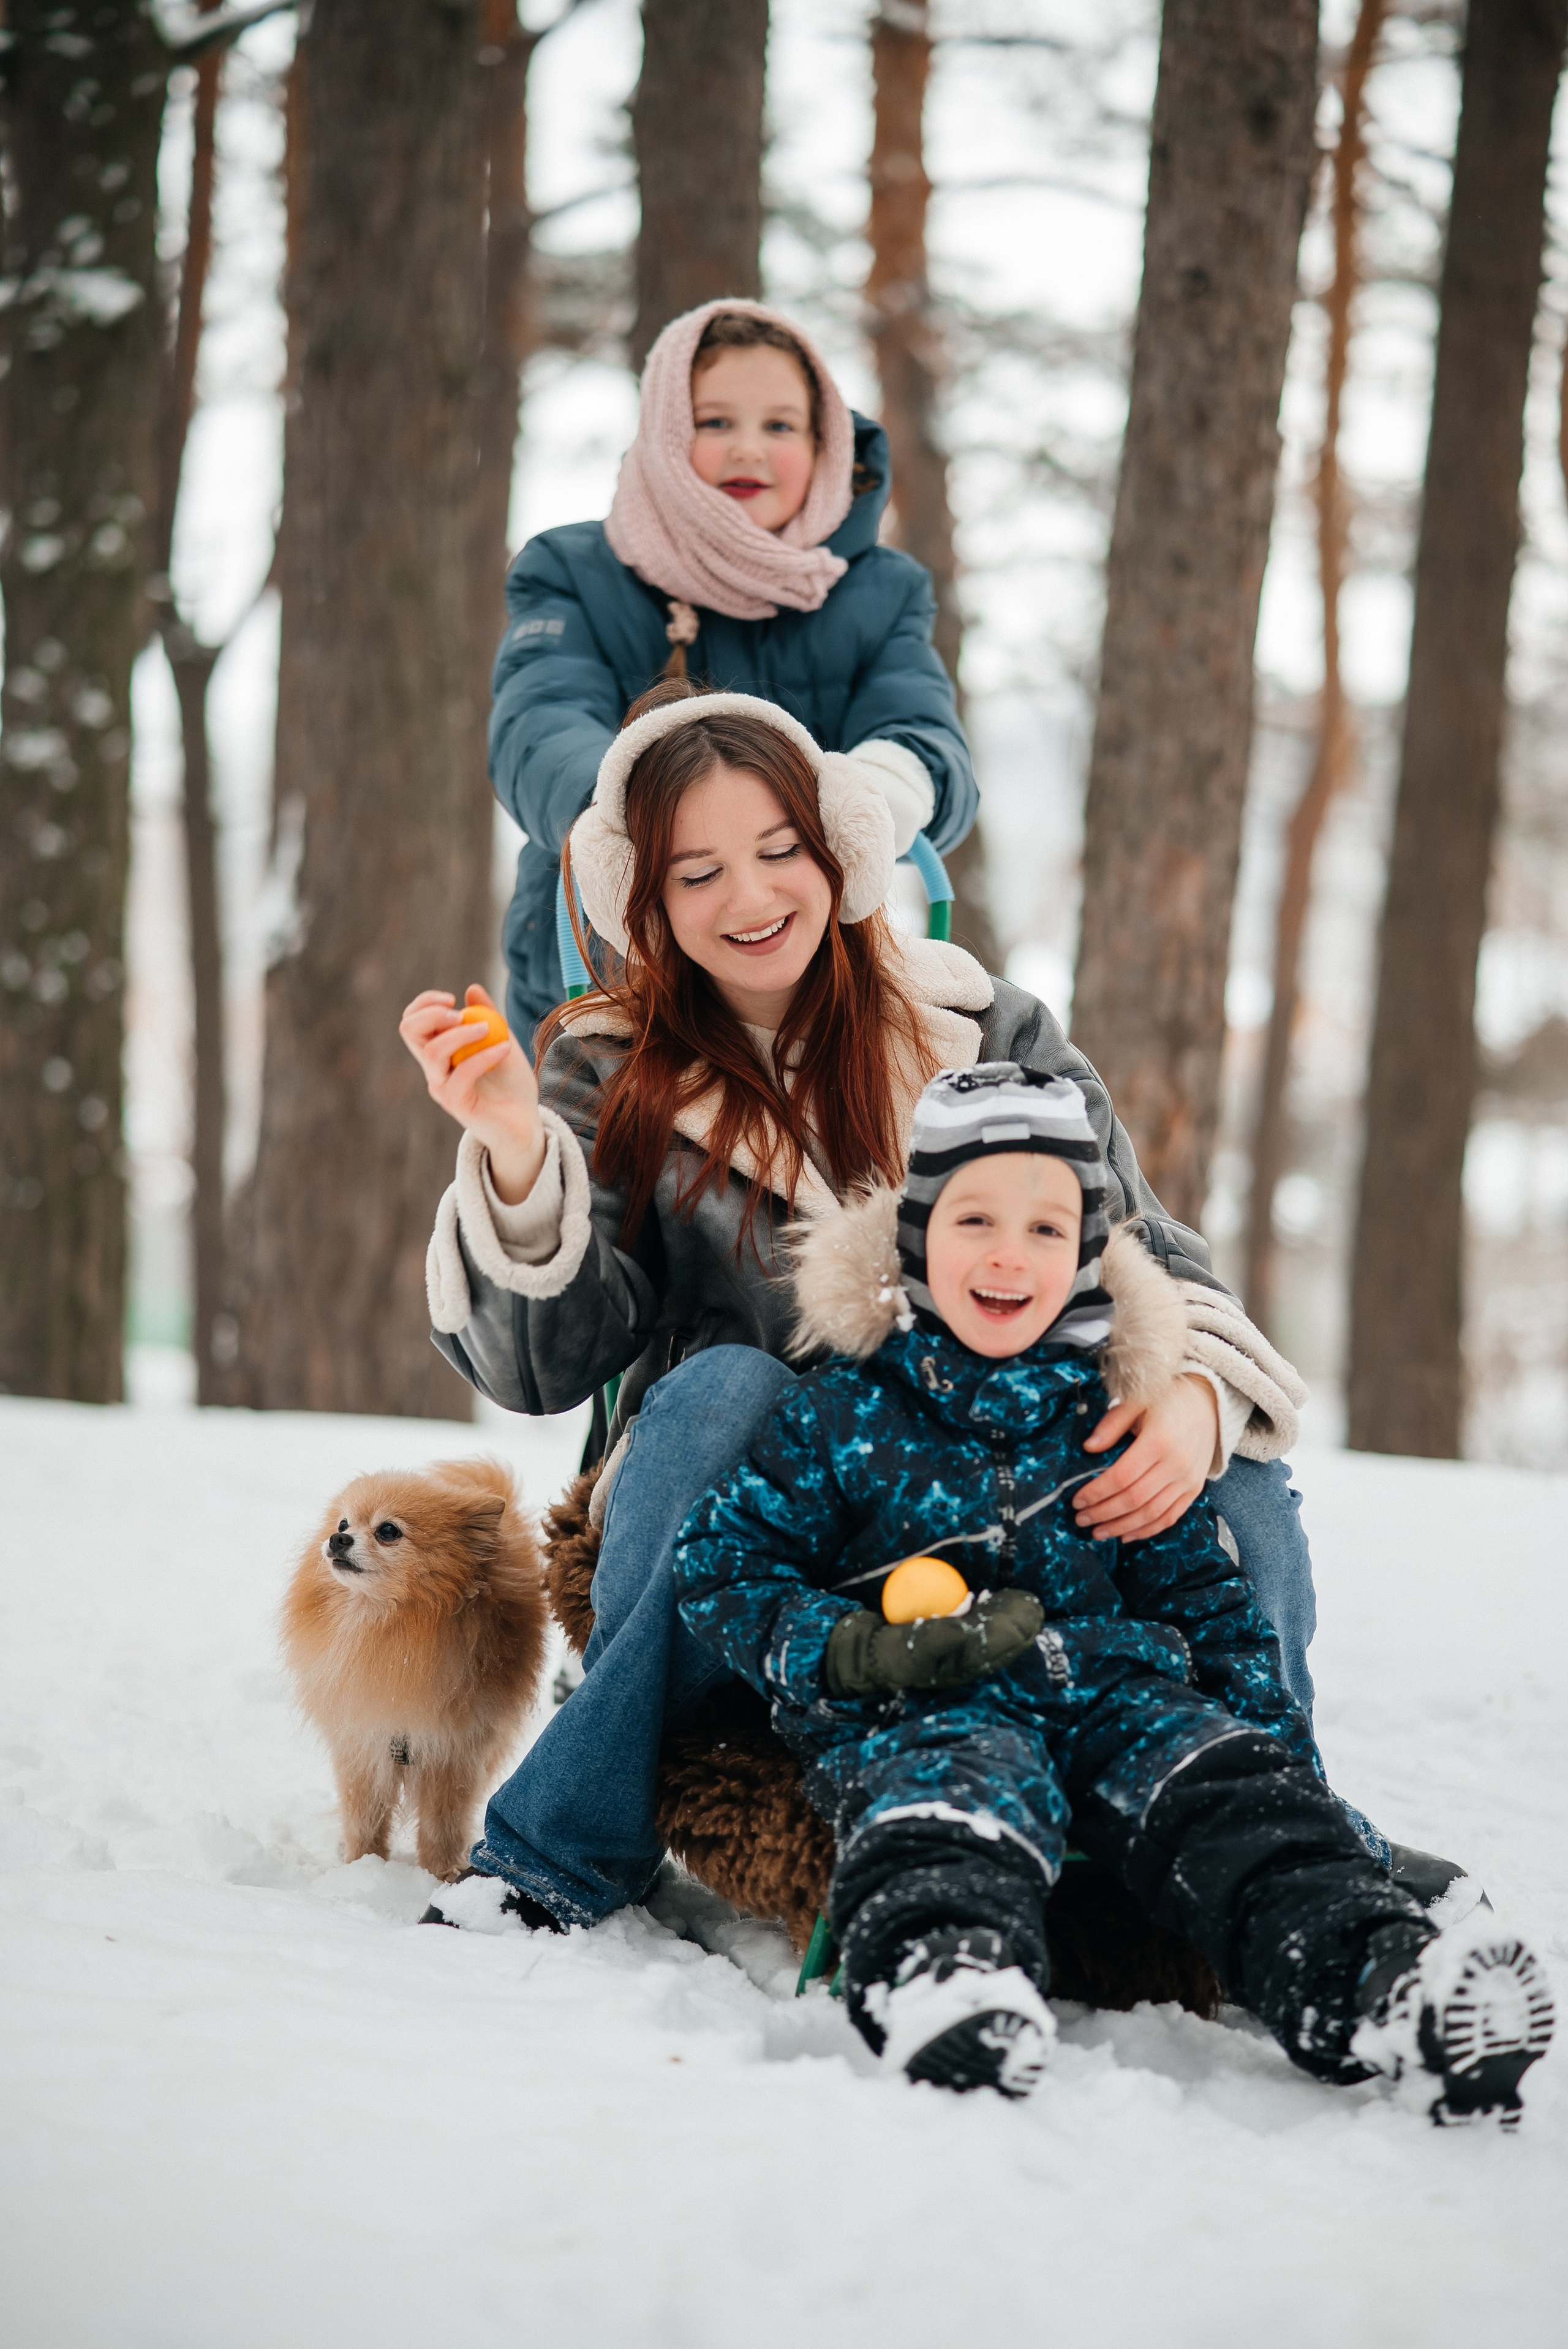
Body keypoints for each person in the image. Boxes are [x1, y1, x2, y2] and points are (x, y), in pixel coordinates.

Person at [401, 683, 1417, 1939]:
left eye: (780, 851)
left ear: (840, 853)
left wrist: (1195, 1403)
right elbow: (541, 1364)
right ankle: (563, 1847)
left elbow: (1152, 1258)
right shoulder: (609, 1061)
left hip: (1000, 1487)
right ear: (649, 904)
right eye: (698, 873)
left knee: (1239, 1494)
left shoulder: (983, 1027)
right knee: (729, 1384)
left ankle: (1291, 1833)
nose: (752, 897)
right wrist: (510, 1146)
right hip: (763, 1516)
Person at [671, 1064, 1555, 2117]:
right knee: (955, 1798)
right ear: (916, 1242)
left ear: (1089, 1256)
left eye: (1048, 1230)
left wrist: (1280, 1764)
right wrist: (857, 1650)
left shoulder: (1111, 1417)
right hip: (934, 1697)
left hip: (1117, 1694)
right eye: (977, 1219)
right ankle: (944, 1977)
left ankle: (1384, 1987)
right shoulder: (843, 1416)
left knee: (1233, 1802)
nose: (1011, 1252)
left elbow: (1207, 1604)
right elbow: (724, 1569)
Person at [487, 296, 976, 1044]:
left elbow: (921, 736)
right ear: (665, 436)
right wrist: (639, 818)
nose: (748, 449)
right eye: (715, 423)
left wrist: (870, 795)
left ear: (825, 445)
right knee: (610, 1153)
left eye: (779, 425)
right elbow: (537, 722)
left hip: (809, 970)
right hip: (620, 961)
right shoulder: (576, 571)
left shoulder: (880, 591)